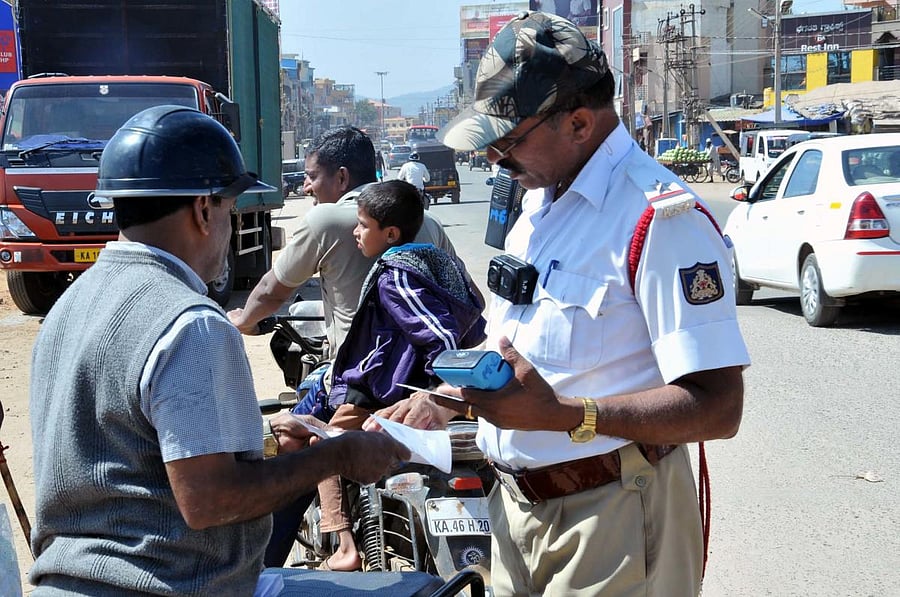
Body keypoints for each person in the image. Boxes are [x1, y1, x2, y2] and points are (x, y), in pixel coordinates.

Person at [368, 12, 749, 596]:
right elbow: (514, 351)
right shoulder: (538, 208)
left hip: (614, 514)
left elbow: (717, 408)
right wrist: (443, 400)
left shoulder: (658, 219)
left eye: (508, 140)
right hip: (517, 510)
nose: (495, 158)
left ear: (577, 122)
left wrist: (570, 415)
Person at [27, 106, 410, 596]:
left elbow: (123, 448)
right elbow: (210, 500)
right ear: (203, 210)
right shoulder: (191, 323)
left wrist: (257, 433)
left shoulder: (69, 306)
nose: (231, 229)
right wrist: (338, 454)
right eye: (230, 211)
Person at [316, 180, 486, 571]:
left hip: (388, 393)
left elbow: (439, 333)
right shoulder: (433, 262)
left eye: (361, 225)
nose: (355, 233)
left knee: (320, 444)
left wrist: (437, 387)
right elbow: (472, 326)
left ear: (390, 234)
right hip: (414, 388)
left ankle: (343, 545)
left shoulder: (397, 275)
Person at [229, 127, 460, 362]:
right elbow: (468, 298)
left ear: (342, 177)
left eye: (312, 176)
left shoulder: (325, 219)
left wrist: (243, 320)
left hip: (359, 378)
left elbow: (272, 292)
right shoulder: (429, 221)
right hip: (427, 374)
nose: (307, 186)